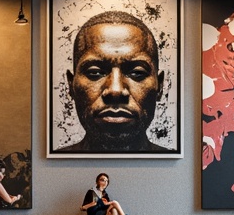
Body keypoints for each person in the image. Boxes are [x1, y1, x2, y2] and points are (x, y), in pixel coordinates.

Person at [61, 10, 170, 153]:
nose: (115, 90)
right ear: (71, 85)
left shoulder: (181, 170)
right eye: (95, 73)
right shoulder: (47, 171)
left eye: (137, 73)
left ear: (159, 86)